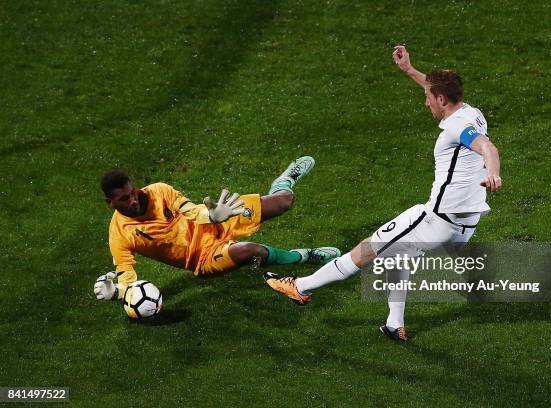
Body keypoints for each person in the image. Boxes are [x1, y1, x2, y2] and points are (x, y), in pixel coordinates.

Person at [264, 46, 502, 341]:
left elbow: (487, 147)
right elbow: (445, 101)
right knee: (398, 256)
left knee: (366, 250)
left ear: (441, 99)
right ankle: (394, 324)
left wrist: (493, 172)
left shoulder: (456, 128)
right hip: (465, 225)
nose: (425, 103)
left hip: (436, 220)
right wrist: (409, 70)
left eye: (429, 98)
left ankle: (300, 287)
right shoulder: (471, 112)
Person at [93, 156, 340, 301]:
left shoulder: (159, 191)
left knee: (284, 201)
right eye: (124, 199)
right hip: (204, 258)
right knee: (252, 252)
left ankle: (283, 182)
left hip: (218, 219)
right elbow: (127, 276)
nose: (133, 200)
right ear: (109, 202)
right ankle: (304, 256)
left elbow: (191, 210)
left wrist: (212, 215)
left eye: (132, 193)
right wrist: (116, 292)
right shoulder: (120, 234)